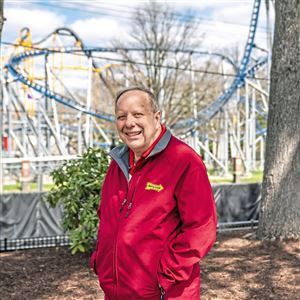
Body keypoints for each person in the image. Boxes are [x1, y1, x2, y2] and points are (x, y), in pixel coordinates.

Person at [90, 86, 217, 300]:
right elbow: (107, 218)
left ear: (156, 118)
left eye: (138, 114)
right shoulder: (118, 163)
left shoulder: (183, 161)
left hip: (163, 293)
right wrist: (100, 261)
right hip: (116, 291)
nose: (129, 123)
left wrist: (165, 278)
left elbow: (201, 229)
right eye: (122, 116)